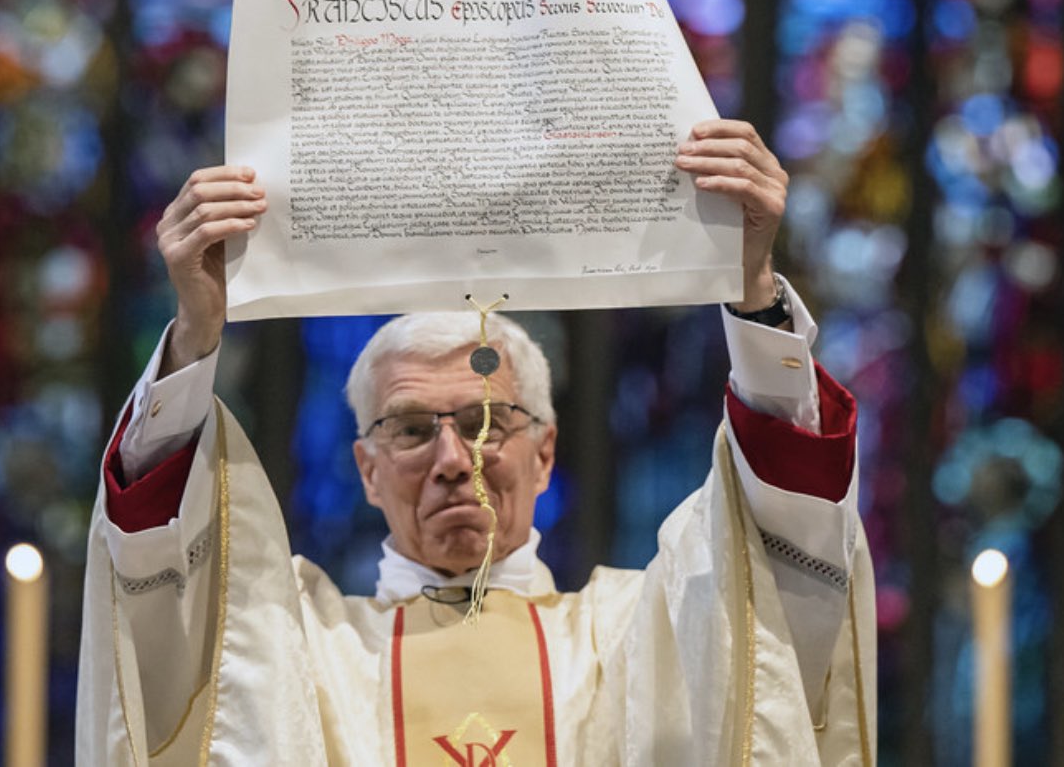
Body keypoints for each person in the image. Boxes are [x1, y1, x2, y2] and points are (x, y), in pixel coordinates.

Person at [76, 120, 875, 765]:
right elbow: (159, 586)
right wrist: (194, 335)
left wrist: (753, 291)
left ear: (547, 452)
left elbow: (779, 537)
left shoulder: (648, 635)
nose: (455, 460)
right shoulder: (291, 656)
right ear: (366, 467)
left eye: (489, 423)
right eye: (413, 429)